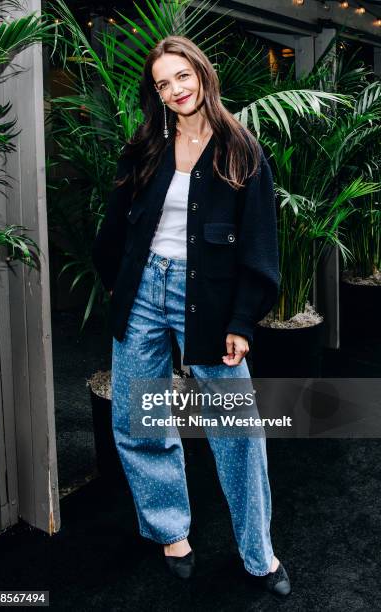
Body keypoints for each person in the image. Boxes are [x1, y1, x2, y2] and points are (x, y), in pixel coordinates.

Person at [92, 35, 291, 597]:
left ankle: (259, 553)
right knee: (139, 419)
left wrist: (242, 322)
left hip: (210, 300)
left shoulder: (241, 149)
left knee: (239, 433)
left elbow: (259, 244)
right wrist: (121, 286)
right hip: (142, 292)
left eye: (182, 76)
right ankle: (170, 530)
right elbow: (115, 227)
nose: (175, 90)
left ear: (202, 73)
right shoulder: (147, 146)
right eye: (162, 83)